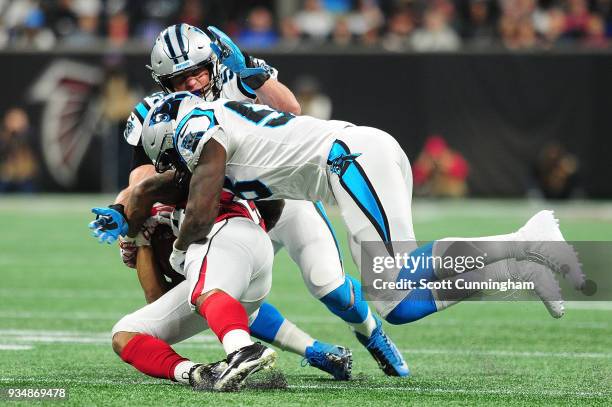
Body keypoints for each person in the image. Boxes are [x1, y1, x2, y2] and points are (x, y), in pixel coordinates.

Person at [90, 24, 407, 378]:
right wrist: (126, 211)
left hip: (282, 199)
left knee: (330, 286)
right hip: (233, 211)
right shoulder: (159, 113)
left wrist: (251, 74)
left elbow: (292, 109)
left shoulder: (232, 80)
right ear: (164, 83)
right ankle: (309, 348)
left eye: (197, 70)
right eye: (180, 79)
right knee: (225, 289)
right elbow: (143, 178)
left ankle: (371, 331)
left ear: (211, 63)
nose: (193, 83)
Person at [134, 88, 586, 329]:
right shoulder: (220, 137)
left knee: (400, 272)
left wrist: (180, 248)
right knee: (395, 304)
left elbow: (201, 204)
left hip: (349, 160)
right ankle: (519, 270)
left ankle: (527, 237)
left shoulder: (198, 125)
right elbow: (261, 206)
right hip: (352, 165)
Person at [111, 171, 278, 392]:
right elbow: (157, 299)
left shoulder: (190, 169)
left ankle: (243, 349)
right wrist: (141, 240)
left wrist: (133, 223)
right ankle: (198, 373)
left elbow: (142, 188)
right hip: (241, 281)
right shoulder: (156, 215)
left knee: (205, 292)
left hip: (229, 234)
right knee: (125, 333)